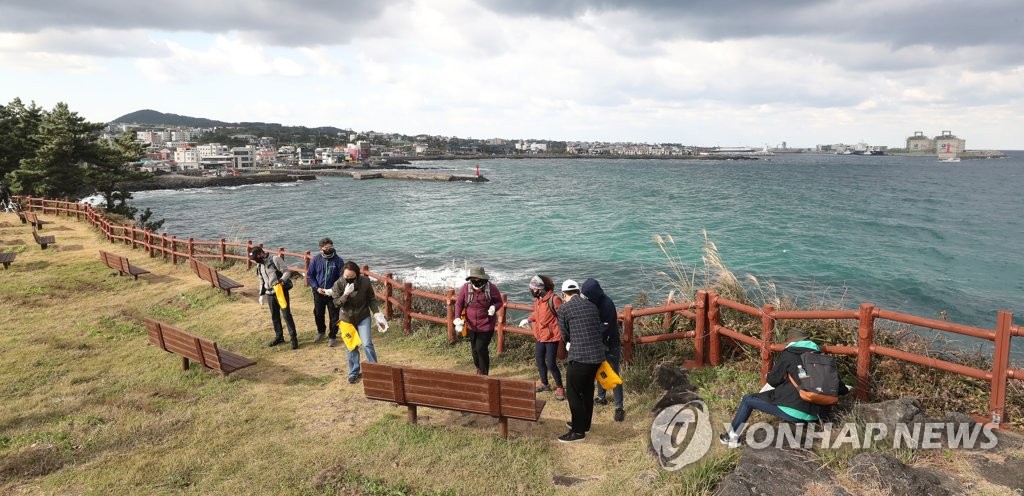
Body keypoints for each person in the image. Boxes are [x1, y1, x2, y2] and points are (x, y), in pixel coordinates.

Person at [720, 328, 850, 447]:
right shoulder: (824, 358)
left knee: (748, 399)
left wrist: (770, 375)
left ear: (790, 341)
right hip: (818, 414)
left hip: (794, 413)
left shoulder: (789, 354)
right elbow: (841, 389)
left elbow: (773, 381)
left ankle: (731, 437)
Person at [555, 279, 606, 443]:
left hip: (580, 357)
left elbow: (565, 334)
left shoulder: (563, 309)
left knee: (574, 393)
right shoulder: (591, 306)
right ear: (578, 291)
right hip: (597, 357)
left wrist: (572, 341)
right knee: (588, 390)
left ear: (564, 295)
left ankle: (577, 432)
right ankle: (584, 425)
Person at [328, 261, 388, 384]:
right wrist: (345, 294)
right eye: (346, 277)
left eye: (352, 276)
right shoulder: (338, 284)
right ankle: (353, 372)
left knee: (366, 344)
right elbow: (336, 303)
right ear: (343, 275)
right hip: (346, 319)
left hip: (363, 316)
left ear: (357, 274)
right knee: (351, 347)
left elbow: (371, 298)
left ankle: (375, 370)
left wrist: (376, 313)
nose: (349, 279)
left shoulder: (365, 282)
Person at [581, 278, 625, 422]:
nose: (585, 299)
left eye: (587, 295)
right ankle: (601, 397)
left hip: (611, 344)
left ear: (593, 294)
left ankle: (619, 407)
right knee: (600, 370)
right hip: (598, 343)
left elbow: (604, 327)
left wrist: (589, 336)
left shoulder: (607, 304)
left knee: (613, 374)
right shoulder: (593, 302)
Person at [519, 275, 564, 401]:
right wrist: (528, 319)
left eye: (533, 288)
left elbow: (563, 314)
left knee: (551, 363)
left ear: (540, 288)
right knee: (539, 360)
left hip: (552, 337)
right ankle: (545, 384)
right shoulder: (538, 300)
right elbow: (537, 314)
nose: (532, 291)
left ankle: (560, 387)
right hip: (540, 336)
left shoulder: (554, 299)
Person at [453, 266, 503, 376]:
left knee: (481, 348)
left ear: (484, 279)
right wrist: (457, 318)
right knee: (474, 350)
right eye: (473, 280)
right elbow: (459, 304)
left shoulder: (492, 288)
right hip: (471, 326)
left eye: (478, 280)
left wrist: (494, 307)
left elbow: (499, 302)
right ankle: (479, 368)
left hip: (486, 325)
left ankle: (484, 374)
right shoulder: (466, 288)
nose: (476, 283)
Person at [250, 246, 299, 349]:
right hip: (269, 294)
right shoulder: (259, 266)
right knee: (275, 316)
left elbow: (286, 271)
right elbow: (261, 281)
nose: (255, 260)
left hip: (280, 291)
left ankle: (293, 338)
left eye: (255, 258)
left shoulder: (275, 259)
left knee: (286, 315)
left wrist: (281, 281)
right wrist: (261, 294)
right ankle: (279, 337)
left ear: (261, 254)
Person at [306, 237, 345, 346]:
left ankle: (332, 336)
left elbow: (342, 277)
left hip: (333, 293)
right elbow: (310, 276)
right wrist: (316, 287)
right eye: (325, 248)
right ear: (320, 249)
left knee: (334, 315)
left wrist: (334, 290)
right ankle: (321, 331)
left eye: (330, 247)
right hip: (318, 292)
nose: (328, 249)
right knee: (318, 313)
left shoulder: (338, 260)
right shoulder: (316, 259)